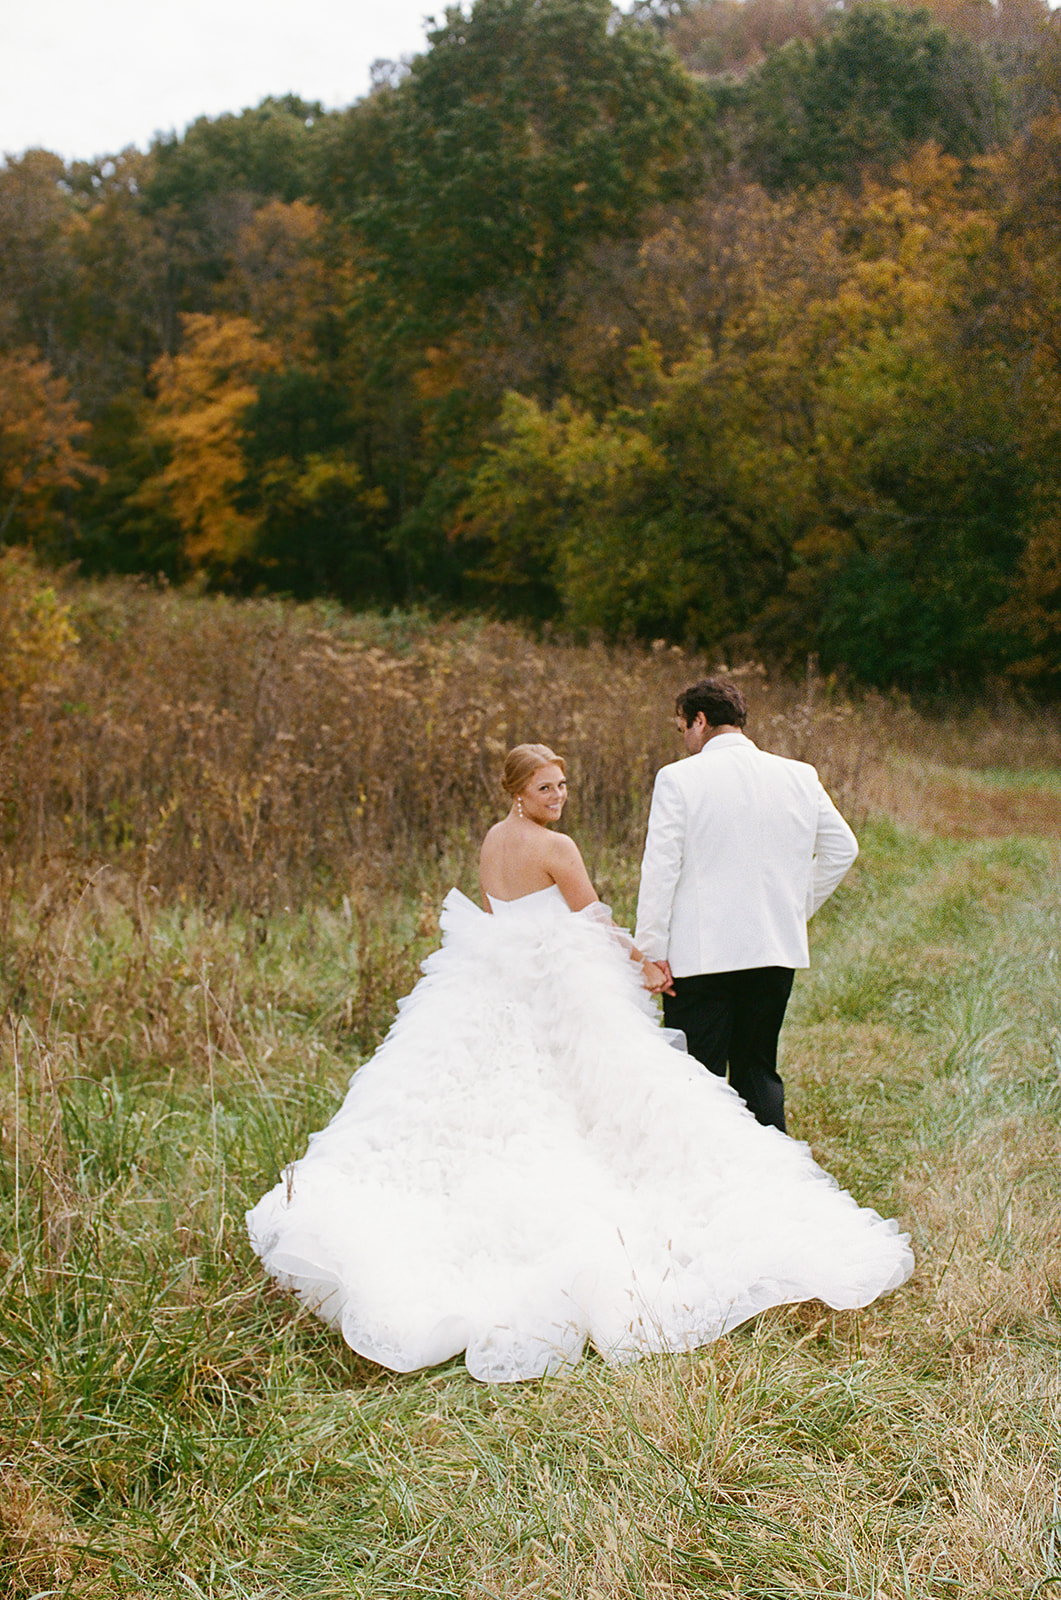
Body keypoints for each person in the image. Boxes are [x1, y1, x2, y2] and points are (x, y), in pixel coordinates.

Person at [247, 743, 911, 1384]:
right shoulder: (556, 849)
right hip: (557, 983)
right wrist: (645, 960)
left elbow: (493, 912)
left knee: (481, 1094)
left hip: (491, 980)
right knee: (595, 1092)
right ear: (517, 794)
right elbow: (590, 918)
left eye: (562, 786)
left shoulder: (489, 840)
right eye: (545, 788)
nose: (558, 798)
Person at [635, 678, 859, 1132]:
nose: (686, 741)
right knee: (758, 1072)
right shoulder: (799, 774)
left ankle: (702, 1176)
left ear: (700, 721)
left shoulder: (678, 778)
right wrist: (794, 908)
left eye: (684, 728)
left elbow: (661, 869)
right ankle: (776, 1184)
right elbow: (842, 849)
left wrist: (651, 952)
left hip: (701, 958)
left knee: (697, 1078)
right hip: (774, 950)